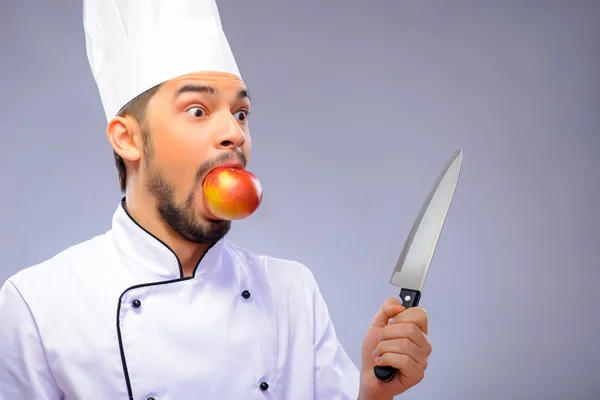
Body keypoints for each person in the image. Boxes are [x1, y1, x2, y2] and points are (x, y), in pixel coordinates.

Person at [0, 0, 432, 399]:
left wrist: (373, 393)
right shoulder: (38, 306)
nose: (235, 134)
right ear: (127, 138)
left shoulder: (290, 292)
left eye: (240, 113)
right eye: (198, 111)